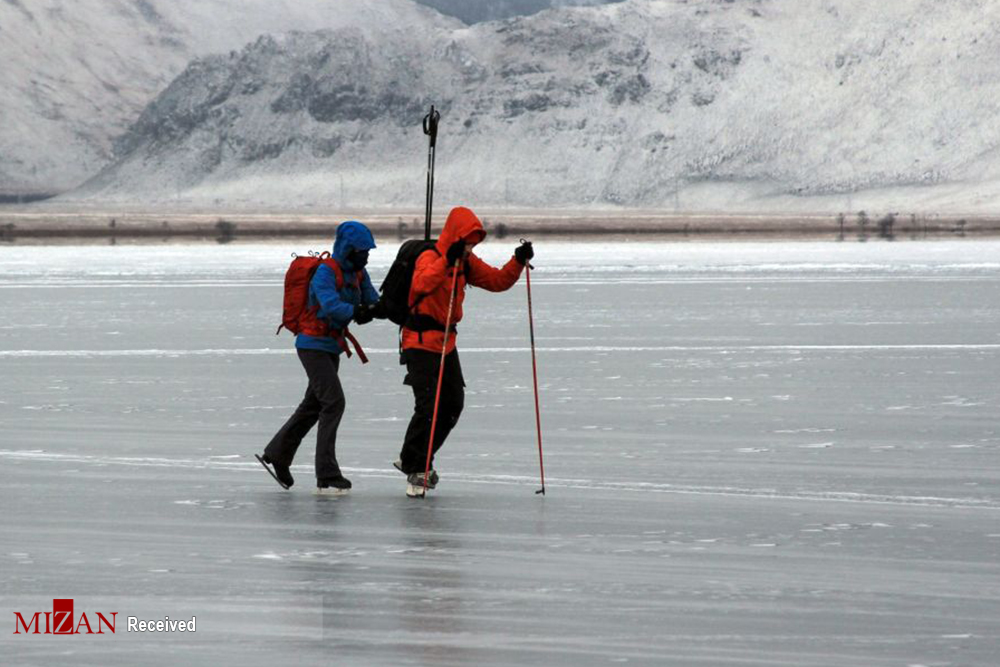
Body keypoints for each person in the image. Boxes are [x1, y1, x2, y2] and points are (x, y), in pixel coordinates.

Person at [395, 206, 533, 496]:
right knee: (428, 407)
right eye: (468, 241)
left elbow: (497, 281)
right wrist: (447, 259)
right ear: (456, 236)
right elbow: (421, 284)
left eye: (474, 243)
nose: (471, 247)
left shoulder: (466, 262)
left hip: (446, 343)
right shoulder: (430, 258)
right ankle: (416, 466)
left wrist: (517, 262)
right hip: (419, 341)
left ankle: (414, 459)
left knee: (452, 405)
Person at [257, 221, 383, 496]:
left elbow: (373, 300)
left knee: (313, 405)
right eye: (363, 250)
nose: (367, 255)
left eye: (368, 251)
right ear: (349, 249)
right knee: (333, 402)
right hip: (312, 345)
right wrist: (357, 311)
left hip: (331, 346)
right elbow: (331, 306)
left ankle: (277, 453)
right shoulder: (326, 273)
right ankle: (327, 474)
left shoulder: (360, 273)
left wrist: (389, 307)